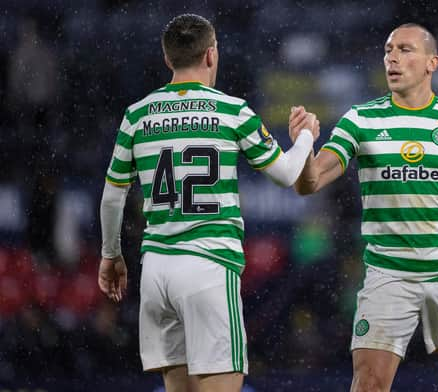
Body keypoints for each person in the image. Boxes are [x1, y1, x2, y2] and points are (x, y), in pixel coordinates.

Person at [290, 23, 438, 392]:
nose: (392, 58)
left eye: (405, 49)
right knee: (368, 384)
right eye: (387, 50)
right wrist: (304, 145)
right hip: (389, 273)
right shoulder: (360, 121)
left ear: (432, 62)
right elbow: (310, 183)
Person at [97, 14, 319, 392]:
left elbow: (113, 195)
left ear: (168, 59)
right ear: (212, 55)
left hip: (156, 272)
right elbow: (285, 174)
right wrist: (304, 139)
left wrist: (111, 255)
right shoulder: (232, 111)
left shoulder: (136, 115)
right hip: (208, 266)